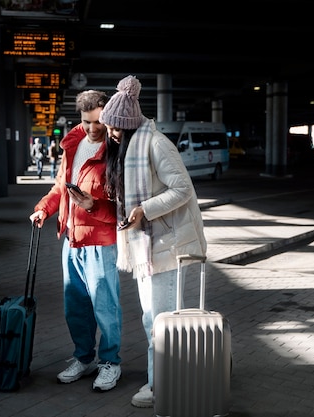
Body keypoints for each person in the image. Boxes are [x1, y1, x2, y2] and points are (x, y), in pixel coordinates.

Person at [99, 75, 207, 407]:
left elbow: (182, 190)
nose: (112, 133)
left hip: (169, 247)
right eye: (110, 127)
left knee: (159, 319)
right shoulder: (130, 148)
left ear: (130, 124)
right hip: (150, 247)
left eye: (117, 127)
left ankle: (162, 386)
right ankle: (168, 380)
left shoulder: (157, 144)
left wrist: (144, 210)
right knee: (154, 318)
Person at [29, 90, 123, 392]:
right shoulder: (72, 143)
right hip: (71, 240)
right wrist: (43, 209)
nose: (94, 129)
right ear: (79, 119)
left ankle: (110, 363)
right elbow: (60, 186)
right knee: (75, 307)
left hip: (101, 242)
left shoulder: (116, 150)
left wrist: (92, 206)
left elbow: (123, 206)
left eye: (99, 122)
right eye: (87, 122)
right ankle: (84, 358)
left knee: (105, 307)